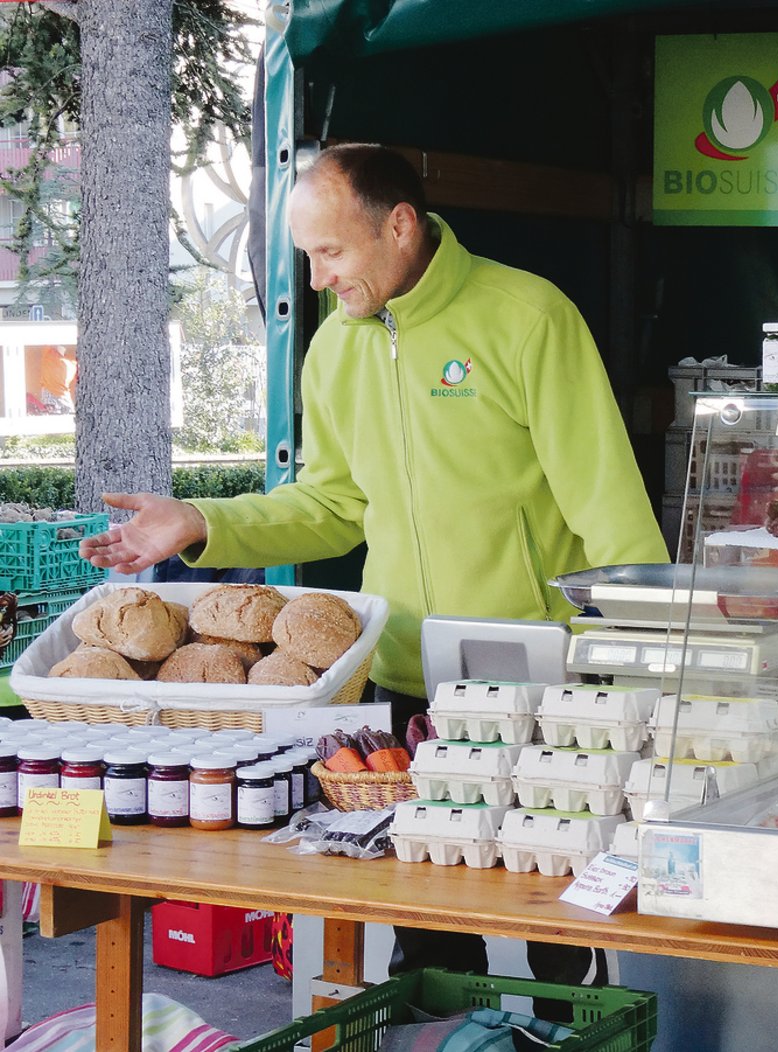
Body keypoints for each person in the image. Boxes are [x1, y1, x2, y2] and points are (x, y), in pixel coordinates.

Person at [79, 142, 668, 999]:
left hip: (544, 685)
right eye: (308, 256)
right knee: (424, 914)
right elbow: (328, 503)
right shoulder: (335, 352)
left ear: (399, 226)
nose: (315, 279)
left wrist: (636, 663)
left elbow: (608, 504)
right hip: (404, 678)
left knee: (554, 918)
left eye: (331, 252)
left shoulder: (528, 316)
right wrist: (204, 522)